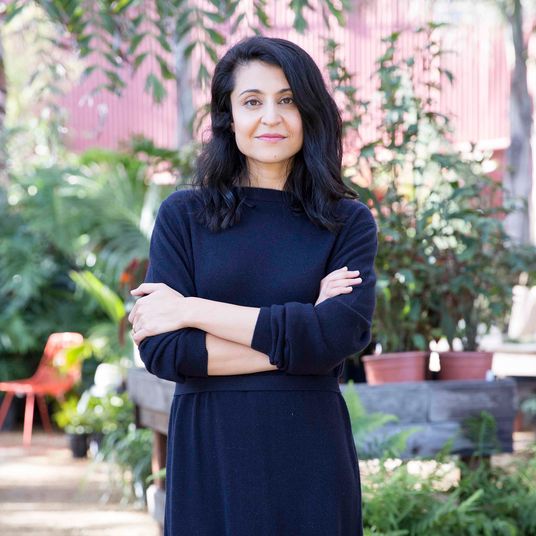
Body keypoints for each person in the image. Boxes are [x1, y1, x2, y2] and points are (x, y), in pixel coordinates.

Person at [127, 35, 378, 536]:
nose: (271, 117)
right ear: (228, 117)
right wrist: (303, 334)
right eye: (252, 102)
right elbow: (166, 351)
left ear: (310, 112)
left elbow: (339, 336)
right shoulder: (184, 216)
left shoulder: (347, 221)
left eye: (287, 100)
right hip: (211, 452)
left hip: (309, 454)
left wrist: (193, 309)